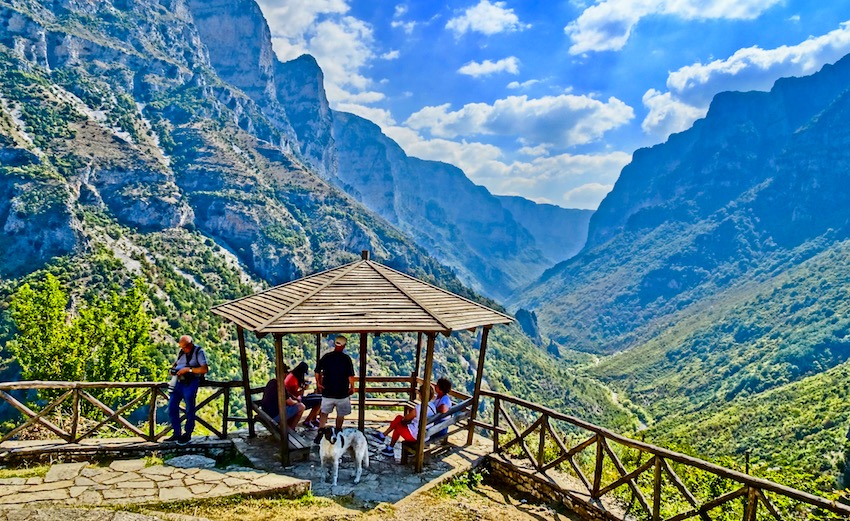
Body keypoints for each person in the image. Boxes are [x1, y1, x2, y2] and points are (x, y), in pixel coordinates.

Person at [165, 335, 208, 445]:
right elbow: (175, 365)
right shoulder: (181, 352)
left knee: (189, 408)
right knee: (172, 407)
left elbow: (204, 369)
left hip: (190, 382)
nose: (183, 349)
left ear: (190, 345)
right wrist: (173, 370)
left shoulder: (199, 352)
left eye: (184, 347)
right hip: (177, 382)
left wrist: (188, 370)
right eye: (181, 347)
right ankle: (176, 433)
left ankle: (187, 433)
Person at [377, 384, 434, 458]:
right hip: (426, 435)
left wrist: (404, 421)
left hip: (416, 436)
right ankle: (385, 439)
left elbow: (406, 418)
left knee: (397, 424)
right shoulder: (433, 406)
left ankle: (389, 446)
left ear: (421, 394)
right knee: (398, 419)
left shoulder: (419, 408)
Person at [315, 335, 355, 433]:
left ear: (334, 344)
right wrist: (352, 387)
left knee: (324, 413)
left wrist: (318, 384)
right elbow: (350, 376)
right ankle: (338, 430)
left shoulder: (326, 357)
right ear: (344, 346)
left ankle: (321, 430)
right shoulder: (346, 359)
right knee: (341, 413)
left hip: (327, 391)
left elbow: (317, 371)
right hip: (342, 393)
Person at [285, 361, 322, 429]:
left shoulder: (292, 375)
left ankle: (313, 418)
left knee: (320, 397)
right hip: (296, 401)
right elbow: (295, 394)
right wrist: (304, 389)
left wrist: (304, 382)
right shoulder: (293, 379)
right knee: (320, 400)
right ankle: (308, 421)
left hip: (298, 398)